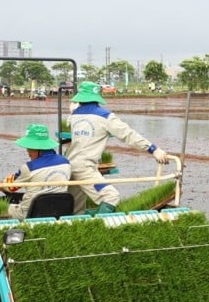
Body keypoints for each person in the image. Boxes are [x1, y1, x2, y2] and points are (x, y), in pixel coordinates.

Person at [65, 81, 168, 213]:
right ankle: (99, 228)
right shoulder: (105, 116)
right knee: (111, 196)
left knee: (76, 208)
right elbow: (128, 135)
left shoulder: (74, 115)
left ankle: (77, 228)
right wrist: (153, 149)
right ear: (97, 97)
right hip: (85, 168)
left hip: (70, 165)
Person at [0, 124, 71, 220]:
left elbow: (9, 187)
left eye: (29, 147)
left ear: (39, 148)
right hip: (57, 211)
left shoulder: (29, 168)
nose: (27, 151)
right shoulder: (66, 163)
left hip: (29, 213)